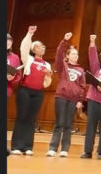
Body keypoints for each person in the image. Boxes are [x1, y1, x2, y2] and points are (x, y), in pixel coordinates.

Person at [10, 26, 53, 155]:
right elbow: (23, 47)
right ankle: (16, 146)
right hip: (25, 91)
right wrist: (29, 34)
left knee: (31, 119)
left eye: (44, 47)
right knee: (21, 118)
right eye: (39, 47)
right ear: (33, 49)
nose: (42, 48)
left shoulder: (47, 64)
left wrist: (49, 76)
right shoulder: (28, 59)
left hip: (38, 93)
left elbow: (46, 84)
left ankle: (27, 147)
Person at [46, 33, 86, 157]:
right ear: (68, 56)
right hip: (61, 96)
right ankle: (53, 148)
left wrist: (80, 100)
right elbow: (58, 54)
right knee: (59, 123)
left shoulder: (80, 70)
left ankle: (64, 149)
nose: (76, 55)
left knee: (68, 124)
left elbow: (82, 86)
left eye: (77, 54)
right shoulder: (63, 66)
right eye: (73, 53)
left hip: (73, 99)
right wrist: (64, 41)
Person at [7, 33, 21, 157]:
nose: (8, 42)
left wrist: (12, 78)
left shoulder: (15, 57)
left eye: (10, 41)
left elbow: (18, 75)